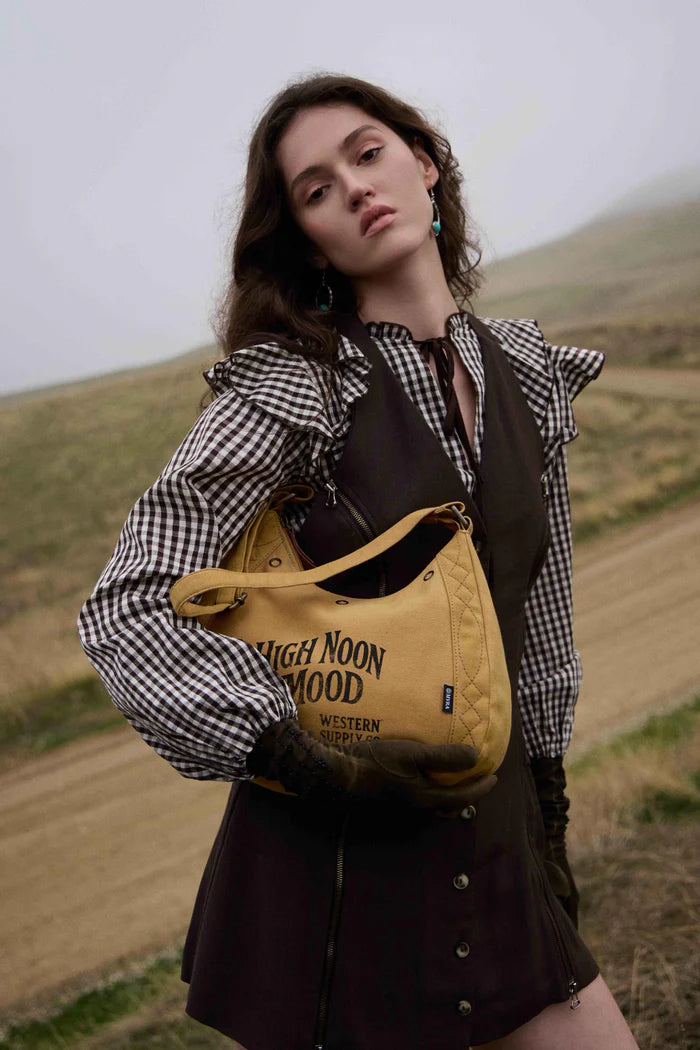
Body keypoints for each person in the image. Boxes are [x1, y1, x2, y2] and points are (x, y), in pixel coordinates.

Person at [78, 73, 639, 1049]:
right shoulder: (294, 392)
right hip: (337, 886)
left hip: (502, 851)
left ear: (423, 166)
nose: (354, 186)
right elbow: (126, 601)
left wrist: (545, 798)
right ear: (310, 240)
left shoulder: (528, 376)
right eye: (315, 189)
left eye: (367, 153)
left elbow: (540, 611)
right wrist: (283, 749)